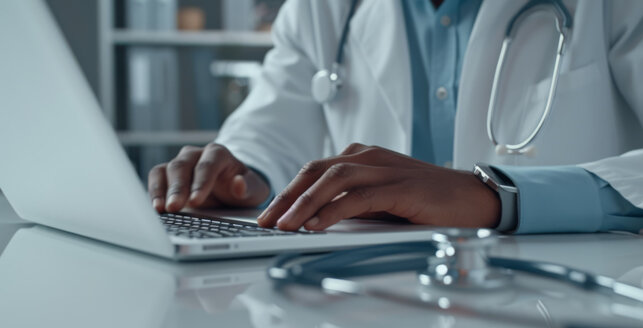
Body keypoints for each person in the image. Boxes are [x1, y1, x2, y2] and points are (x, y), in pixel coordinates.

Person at [148, 0, 643, 234]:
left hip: (571, 310)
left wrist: (499, 196)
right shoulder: (323, 10)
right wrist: (242, 176)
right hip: (376, 309)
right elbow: (269, 130)